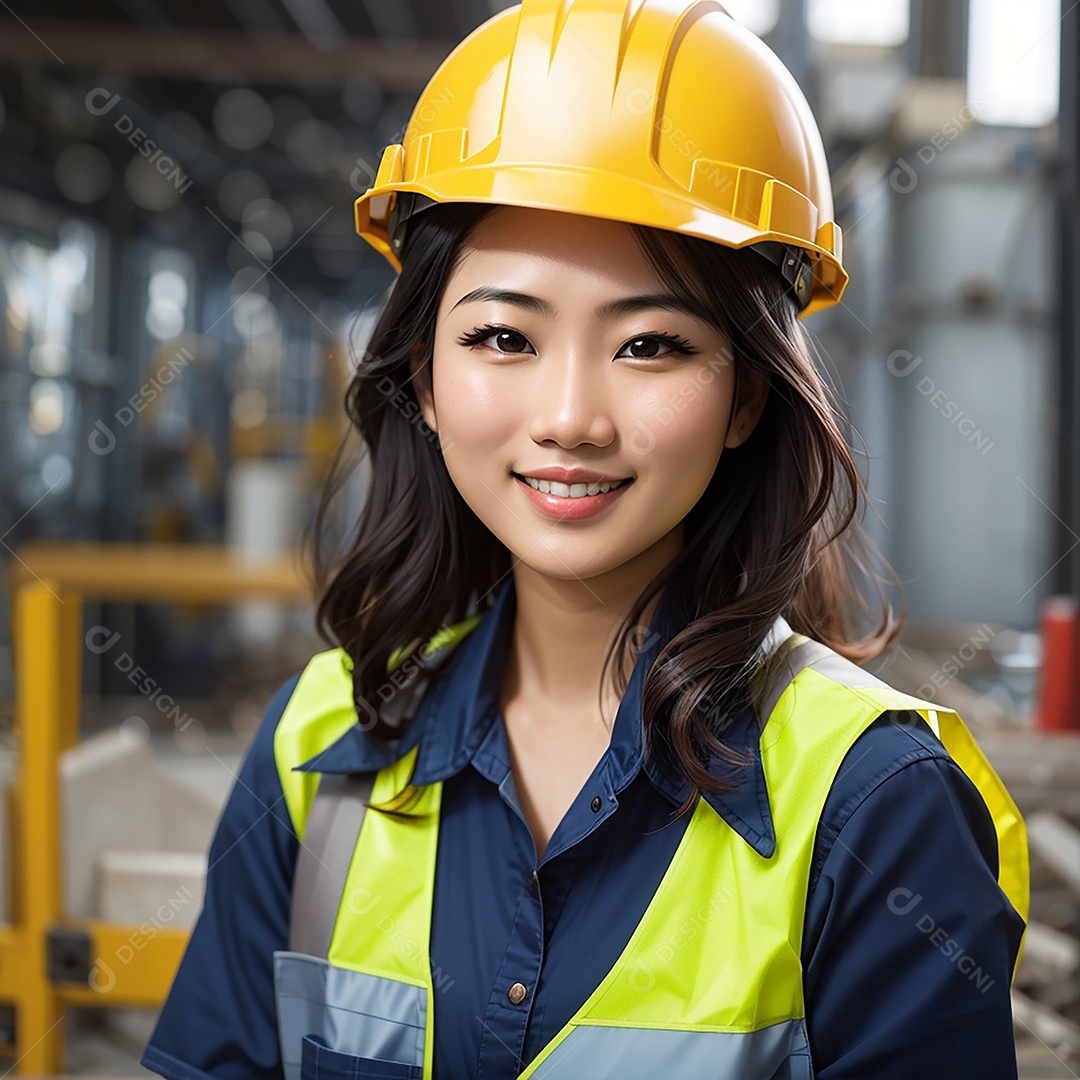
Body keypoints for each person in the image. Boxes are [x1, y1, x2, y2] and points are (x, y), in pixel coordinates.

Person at [141, 2, 1029, 1078]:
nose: (571, 416)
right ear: (423, 377)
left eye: (651, 344)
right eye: (503, 336)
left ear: (747, 397)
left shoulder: (877, 806)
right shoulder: (314, 750)